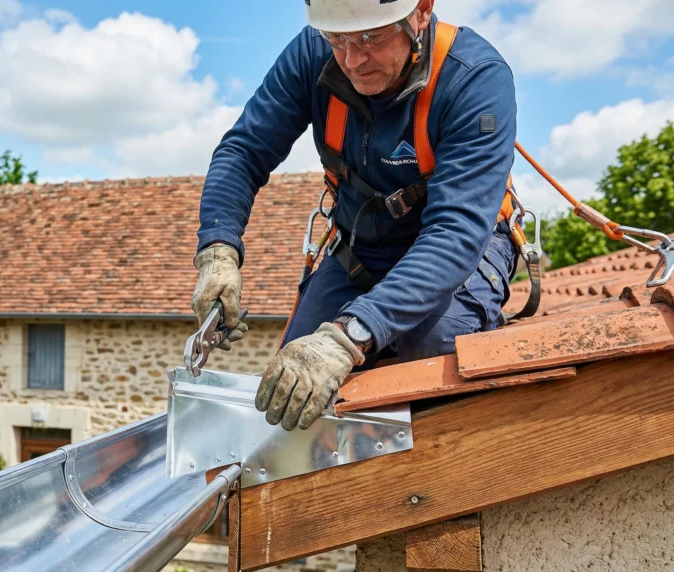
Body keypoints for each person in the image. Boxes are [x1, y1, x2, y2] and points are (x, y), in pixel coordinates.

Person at [191, 0, 518, 432]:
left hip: (462, 251)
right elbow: (244, 152)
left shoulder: (473, 78)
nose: (352, 59)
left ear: (420, 11)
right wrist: (218, 252)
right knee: (292, 388)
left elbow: (454, 234)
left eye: (371, 37)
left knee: (434, 354)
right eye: (338, 39)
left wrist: (348, 337)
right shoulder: (313, 54)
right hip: (362, 250)